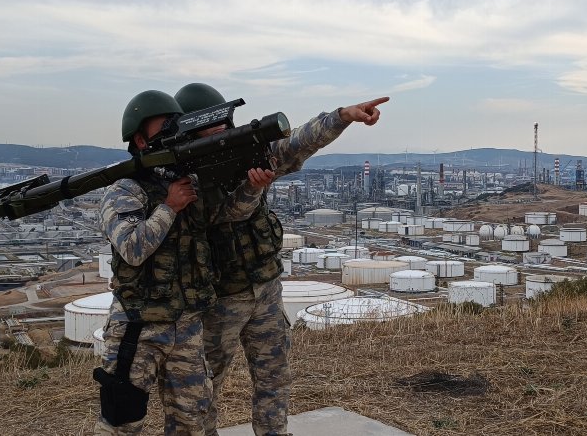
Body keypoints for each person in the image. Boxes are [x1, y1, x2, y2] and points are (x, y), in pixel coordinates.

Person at [175, 83, 388, 436]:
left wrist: (344, 116)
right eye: (207, 130)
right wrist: (253, 188)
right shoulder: (185, 179)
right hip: (219, 297)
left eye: (222, 127)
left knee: (274, 375)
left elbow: (300, 141)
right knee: (204, 384)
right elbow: (225, 214)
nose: (219, 135)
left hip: (265, 287)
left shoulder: (247, 154)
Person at [94, 89, 274, 436]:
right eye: (163, 128)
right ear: (139, 139)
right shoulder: (123, 191)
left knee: (194, 420)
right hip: (138, 326)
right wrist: (169, 207)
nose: (172, 135)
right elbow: (132, 248)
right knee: (122, 420)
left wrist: (254, 188)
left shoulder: (188, 184)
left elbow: (228, 215)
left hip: (187, 324)